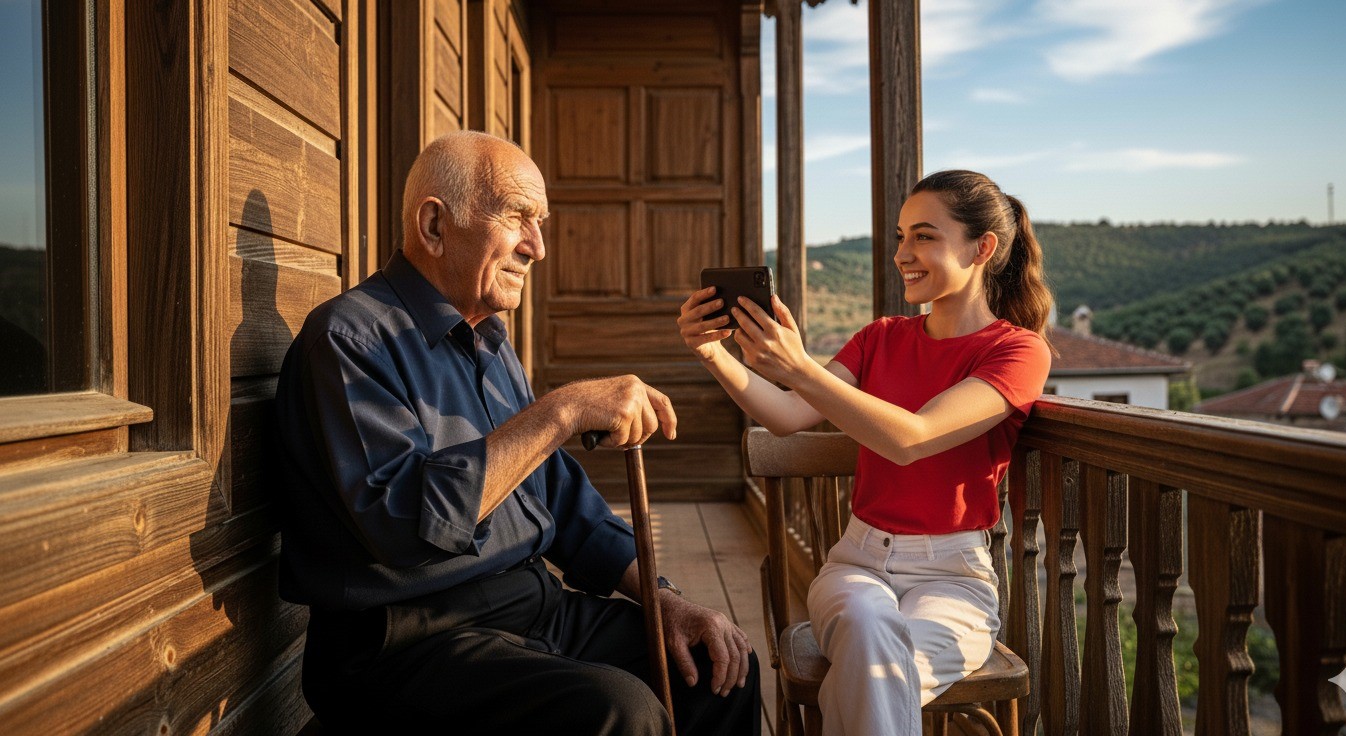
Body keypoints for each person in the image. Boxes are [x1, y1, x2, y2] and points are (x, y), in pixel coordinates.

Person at [275, 130, 759, 735]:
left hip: (529, 608)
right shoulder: (349, 340)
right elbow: (402, 525)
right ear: (434, 225)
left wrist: (664, 599)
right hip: (405, 641)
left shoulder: (489, 341)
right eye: (517, 217)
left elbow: (560, 499)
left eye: (541, 223)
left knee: (719, 665)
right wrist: (562, 411)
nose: (538, 246)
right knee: (620, 710)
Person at [677, 170, 1053, 736]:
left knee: (870, 670)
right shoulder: (879, 338)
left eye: (924, 236)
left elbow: (913, 438)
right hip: (857, 564)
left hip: (952, 578)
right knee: (869, 641)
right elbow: (787, 415)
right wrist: (713, 354)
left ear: (983, 248)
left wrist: (800, 368)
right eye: (901, 237)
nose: (903, 253)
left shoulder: (1017, 351)